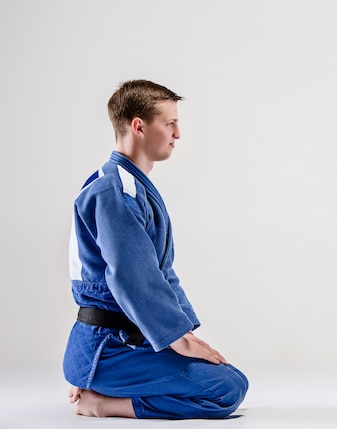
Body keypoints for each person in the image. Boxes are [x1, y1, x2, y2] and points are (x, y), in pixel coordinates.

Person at [63, 80, 248, 419]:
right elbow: (133, 277)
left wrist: (183, 331)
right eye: (169, 123)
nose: (178, 133)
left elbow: (162, 272)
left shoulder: (129, 186)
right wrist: (175, 337)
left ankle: (97, 383)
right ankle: (100, 402)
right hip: (108, 346)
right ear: (139, 126)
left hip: (131, 338)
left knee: (232, 378)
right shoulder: (114, 190)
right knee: (226, 390)